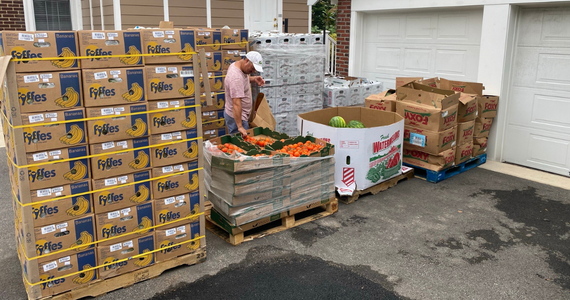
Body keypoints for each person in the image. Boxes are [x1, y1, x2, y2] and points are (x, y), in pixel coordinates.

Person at [224, 51, 265, 137]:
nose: (253, 71)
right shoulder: (236, 77)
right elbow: (236, 103)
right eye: (253, 68)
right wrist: (240, 126)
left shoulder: (238, 66)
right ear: (247, 61)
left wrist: (254, 79)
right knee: (242, 146)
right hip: (238, 118)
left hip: (240, 116)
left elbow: (242, 81)